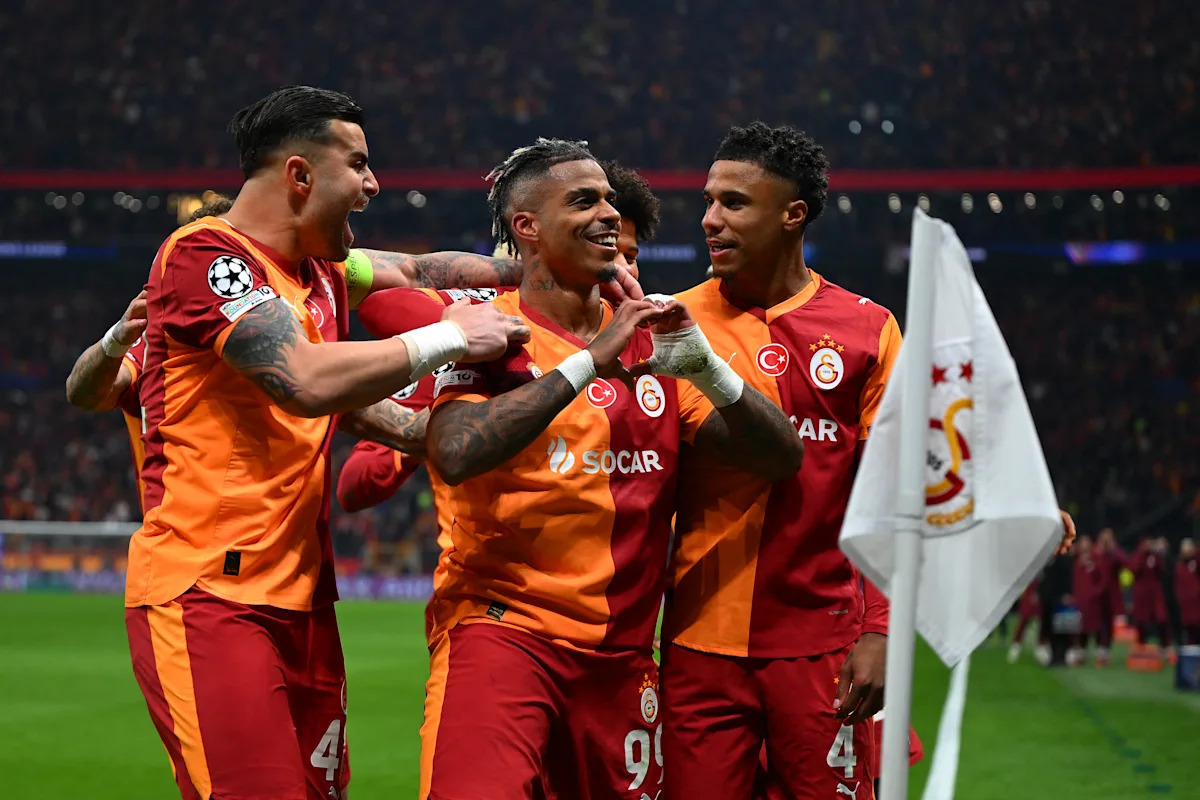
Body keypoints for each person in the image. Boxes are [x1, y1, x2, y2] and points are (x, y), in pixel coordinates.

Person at [122, 85, 530, 800]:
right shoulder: (206, 255)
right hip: (210, 594)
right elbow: (303, 380)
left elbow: (417, 271)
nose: (374, 185)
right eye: (360, 164)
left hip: (303, 602)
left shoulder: (323, 273)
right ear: (300, 175)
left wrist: (552, 271)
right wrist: (449, 338)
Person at [412, 137, 802, 800]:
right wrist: (590, 361)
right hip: (504, 634)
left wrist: (708, 368)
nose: (607, 213)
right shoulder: (485, 329)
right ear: (527, 227)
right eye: (583, 200)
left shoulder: (655, 344)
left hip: (623, 659)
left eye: (608, 199)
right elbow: (455, 452)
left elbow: (781, 457)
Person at [656, 122, 895, 800]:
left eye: (734, 203)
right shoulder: (672, 324)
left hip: (823, 642)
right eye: (708, 201)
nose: (711, 220)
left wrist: (881, 632)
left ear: (793, 214)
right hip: (699, 640)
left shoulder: (868, 329)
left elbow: (886, 493)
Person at [65, 200, 236, 510]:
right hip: (177, 529)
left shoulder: (280, 332)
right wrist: (117, 338)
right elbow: (80, 393)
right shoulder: (156, 340)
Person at [1071, 535, 1108, 665]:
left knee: (1097, 627)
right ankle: (1081, 654)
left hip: (1094, 602)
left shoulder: (1097, 560)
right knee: (1081, 628)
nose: (1084, 546)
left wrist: (1096, 593)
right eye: (1082, 544)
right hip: (1079, 600)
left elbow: (1102, 580)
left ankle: (1101, 654)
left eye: (1086, 544)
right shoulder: (1076, 561)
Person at [1130, 537, 1172, 649]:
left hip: (1155, 592)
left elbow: (1162, 571)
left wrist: (1159, 554)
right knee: (1141, 621)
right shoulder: (1138, 556)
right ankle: (1141, 645)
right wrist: (1142, 555)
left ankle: (1165, 644)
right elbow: (1134, 569)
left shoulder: (1155, 557)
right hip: (1142, 593)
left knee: (1161, 618)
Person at [1176, 538, 1200, 645]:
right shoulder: (1179, 566)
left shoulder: (1196, 563)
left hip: (1197, 605)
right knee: (1189, 635)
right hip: (1186, 607)